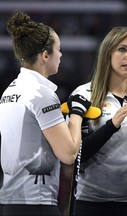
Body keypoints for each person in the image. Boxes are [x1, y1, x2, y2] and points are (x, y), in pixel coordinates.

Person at [0, 12, 91, 215]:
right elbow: (68, 153)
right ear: (45, 55)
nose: (61, 55)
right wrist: (76, 113)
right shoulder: (41, 94)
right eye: (59, 49)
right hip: (36, 203)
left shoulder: (9, 91)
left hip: (10, 202)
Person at [67, 26, 127, 216]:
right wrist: (112, 126)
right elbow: (75, 156)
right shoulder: (83, 95)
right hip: (90, 201)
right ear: (107, 53)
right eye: (122, 49)